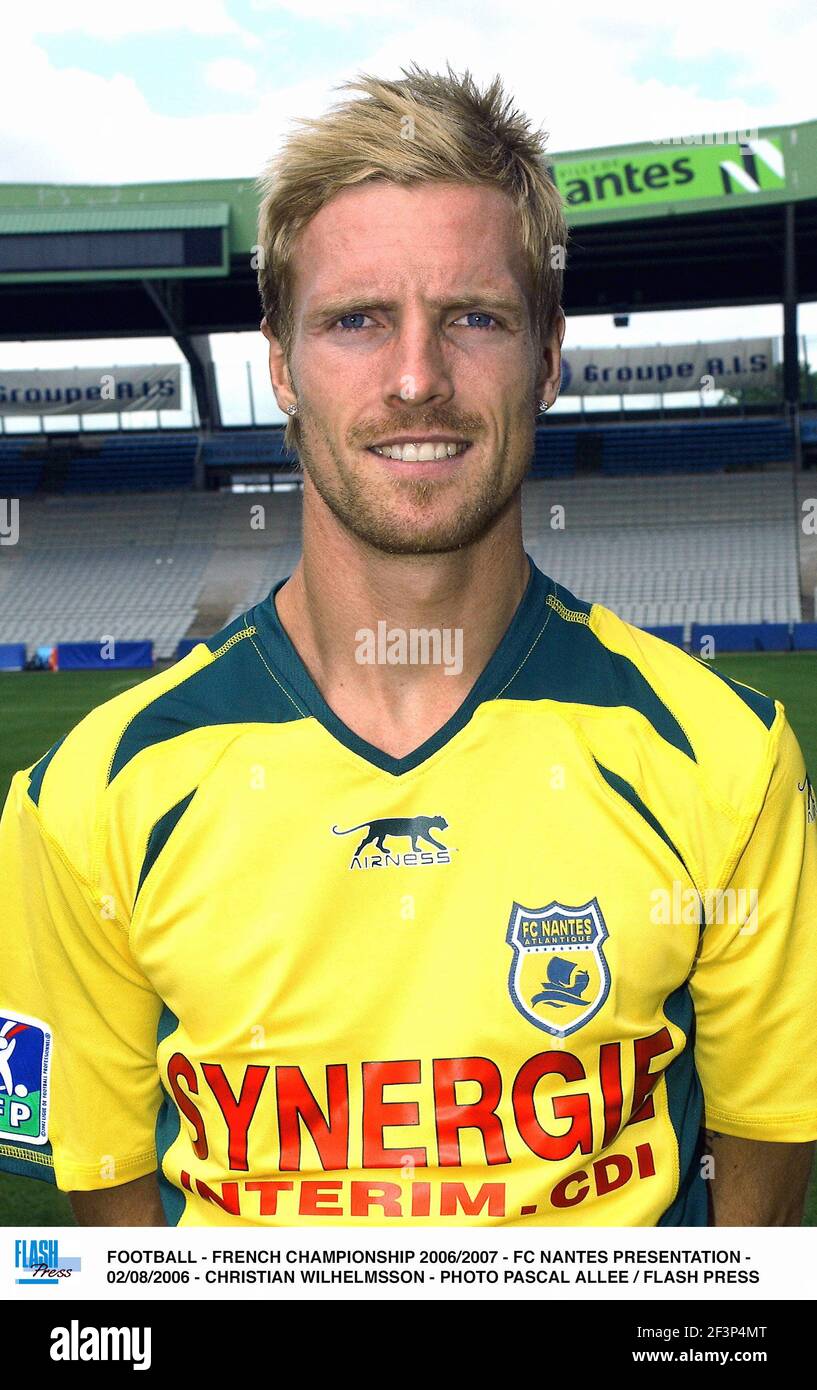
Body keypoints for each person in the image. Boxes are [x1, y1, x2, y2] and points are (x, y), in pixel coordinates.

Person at [1, 63, 815, 1228]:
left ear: (547, 354)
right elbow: (105, 1229)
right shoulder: (86, 801)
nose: (417, 377)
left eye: (474, 316)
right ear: (279, 363)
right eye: (356, 320)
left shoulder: (725, 765)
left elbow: (763, 1188)